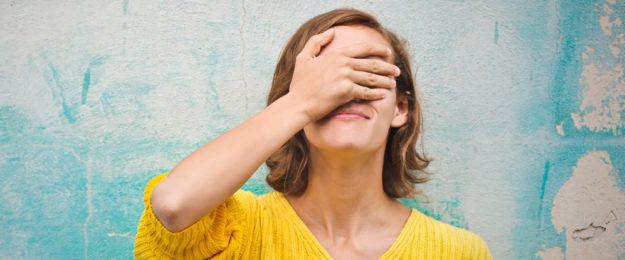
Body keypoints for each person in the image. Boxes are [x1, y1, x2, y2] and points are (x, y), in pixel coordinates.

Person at [134, 8, 492, 259]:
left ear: (400, 108)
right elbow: (173, 204)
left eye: (368, 74)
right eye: (327, 76)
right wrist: (302, 102)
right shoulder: (234, 228)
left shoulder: (459, 252)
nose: (345, 90)